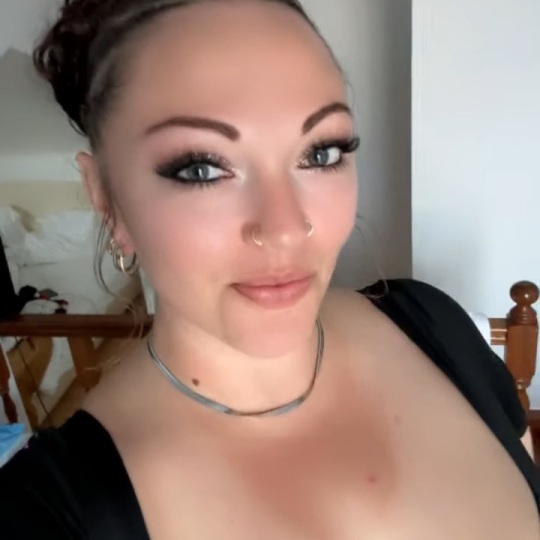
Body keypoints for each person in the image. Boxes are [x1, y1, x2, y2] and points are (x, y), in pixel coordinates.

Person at [0, 0, 539, 538]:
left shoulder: (434, 324)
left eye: (321, 154)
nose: (285, 229)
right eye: (201, 168)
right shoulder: (48, 514)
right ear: (105, 197)